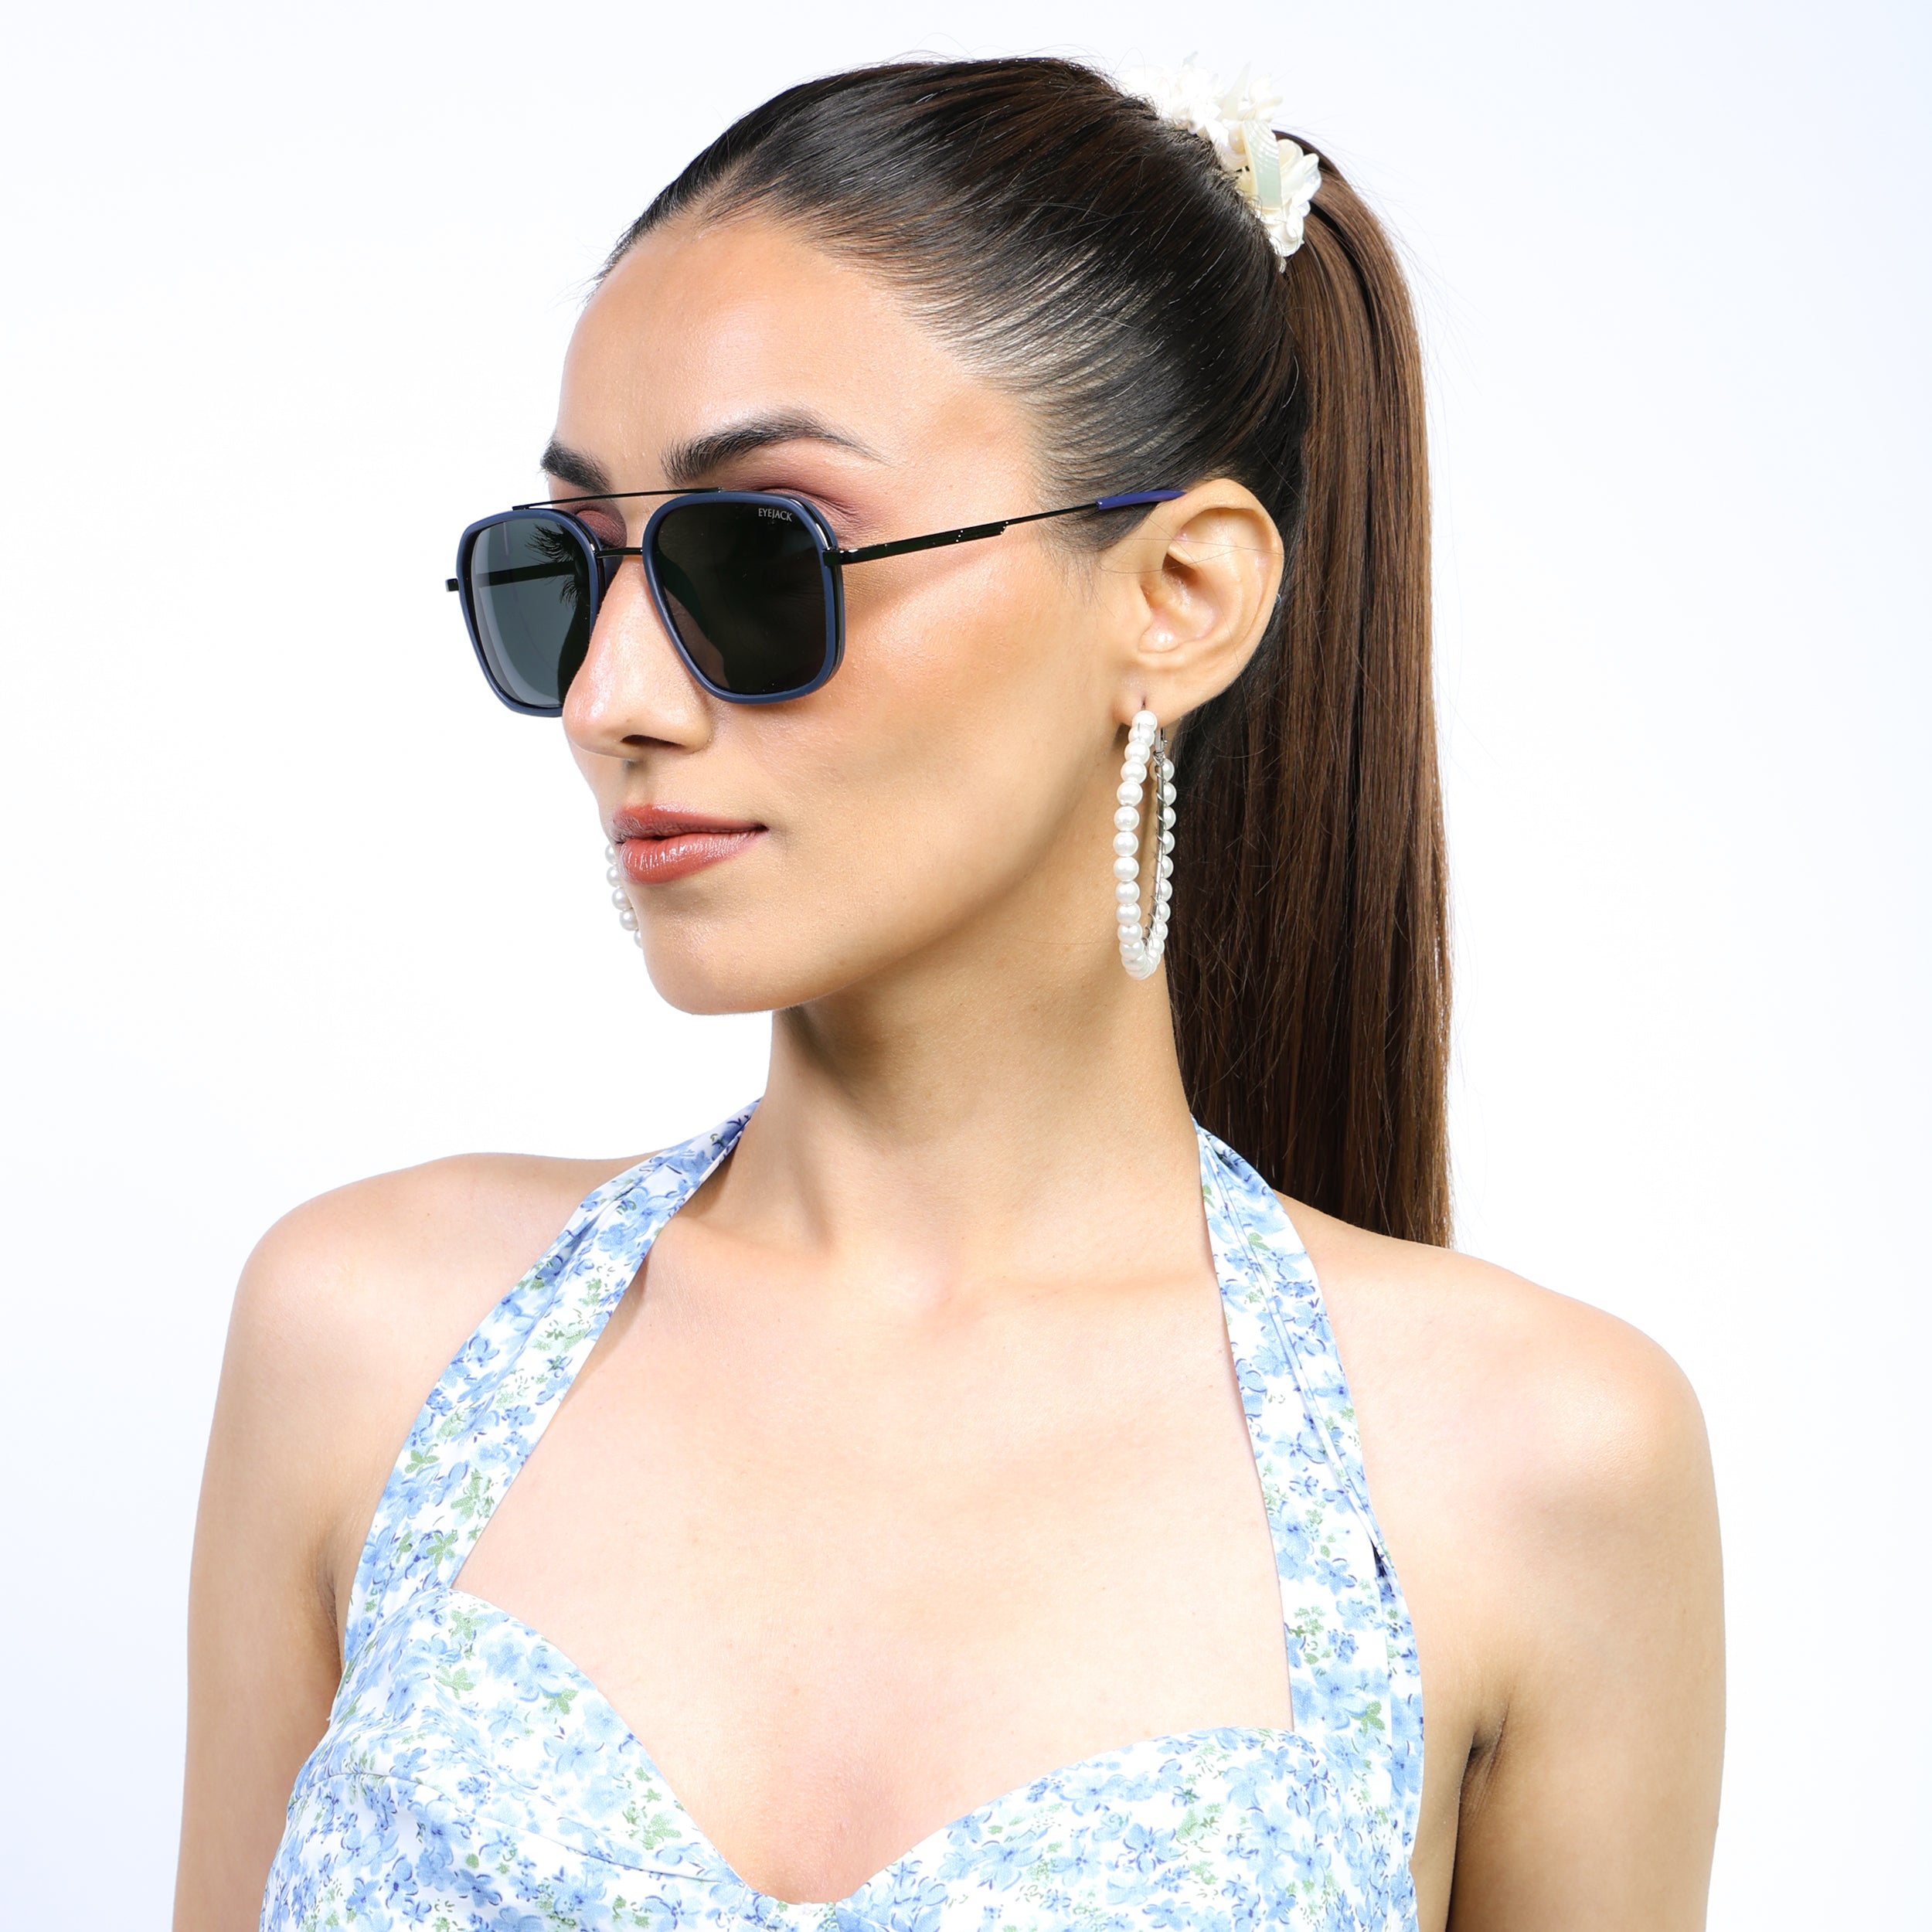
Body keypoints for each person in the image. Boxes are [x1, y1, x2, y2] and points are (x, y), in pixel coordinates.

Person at [174, 56, 1723, 1932]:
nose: (610, 699)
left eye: (762, 559)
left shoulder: (1531, 1463)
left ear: (1177, 595)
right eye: (561, 572)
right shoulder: (365, 1342)